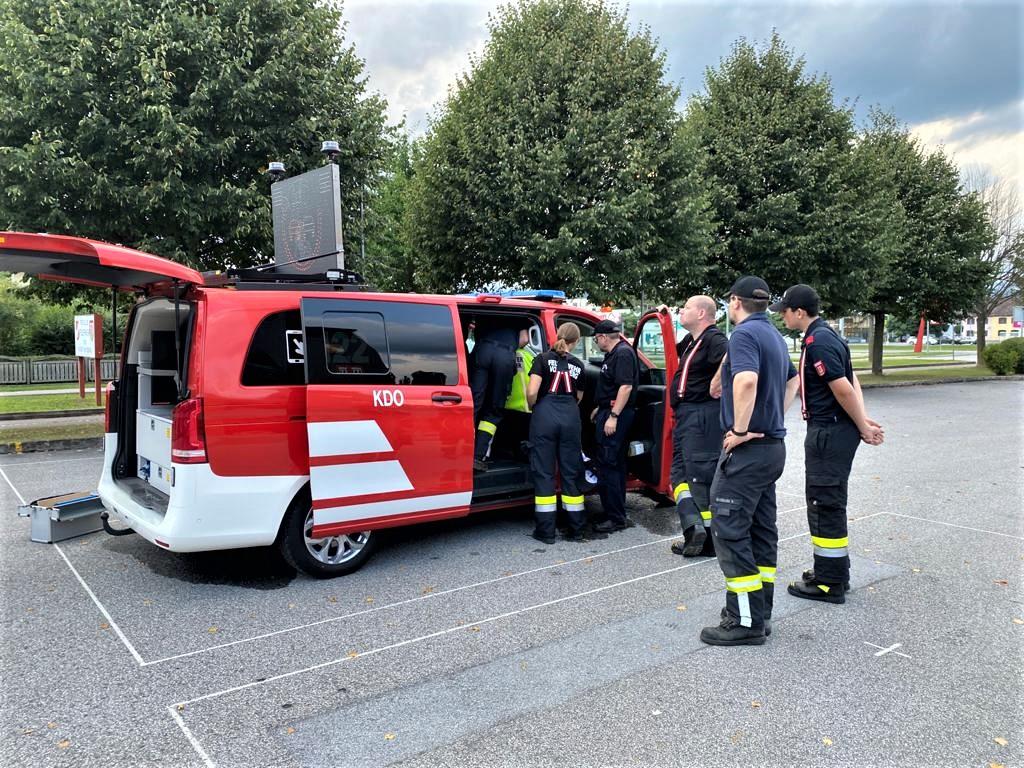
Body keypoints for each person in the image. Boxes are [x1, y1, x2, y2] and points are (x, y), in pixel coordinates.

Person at [700, 276, 799, 647]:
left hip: (747, 451)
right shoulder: (774, 335)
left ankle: (744, 621)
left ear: (734, 301)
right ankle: (759, 611)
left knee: (729, 529)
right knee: (760, 530)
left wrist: (742, 429)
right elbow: (793, 381)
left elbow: (744, 382)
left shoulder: (743, 334)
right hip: (771, 447)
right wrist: (772, 419)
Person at [772, 284, 884, 604]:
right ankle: (834, 571)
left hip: (828, 433)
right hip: (835, 430)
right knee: (829, 501)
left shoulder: (818, 341)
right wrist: (862, 420)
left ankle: (828, 582)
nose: (782, 316)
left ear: (799, 312)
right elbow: (851, 378)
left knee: (824, 504)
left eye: (785, 311)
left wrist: (863, 425)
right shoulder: (827, 335)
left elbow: (843, 387)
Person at [665, 296, 728, 557]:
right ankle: (693, 527)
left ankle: (709, 540)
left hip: (703, 415)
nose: (682, 311)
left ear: (702, 313)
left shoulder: (714, 339)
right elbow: (672, 349)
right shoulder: (692, 341)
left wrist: (716, 382)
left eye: (687, 307)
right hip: (686, 416)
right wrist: (665, 317)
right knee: (680, 475)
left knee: (700, 477)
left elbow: (732, 357)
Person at [526, 323, 587, 544]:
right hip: (570, 418)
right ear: (576, 341)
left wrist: (534, 406)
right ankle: (576, 529)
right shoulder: (578, 364)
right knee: (570, 473)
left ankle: (546, 532)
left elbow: (532, 391)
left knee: (544, 473)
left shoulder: (542, 359)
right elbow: (579, 397)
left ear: (558, 336)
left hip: (545, 417)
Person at [590, 319, 640, 533]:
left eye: (596, 339)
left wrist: (613, 415)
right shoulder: (615, 354)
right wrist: (600, 407)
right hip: (608, 410)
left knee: (609, 464)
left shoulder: (622, 354)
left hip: (616, 414)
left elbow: (625, 387)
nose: (597, 343)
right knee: (612, 464)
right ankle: (613, 511)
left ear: (602, 337)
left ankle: (616, 518)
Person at [470, 317, 526, 471]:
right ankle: (477, 456)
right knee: (494, 409)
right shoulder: (519, 314)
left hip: (482, 350)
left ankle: (463, 450)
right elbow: (525, 338)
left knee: (473, 404)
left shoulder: (487, 313)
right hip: (504, 354)